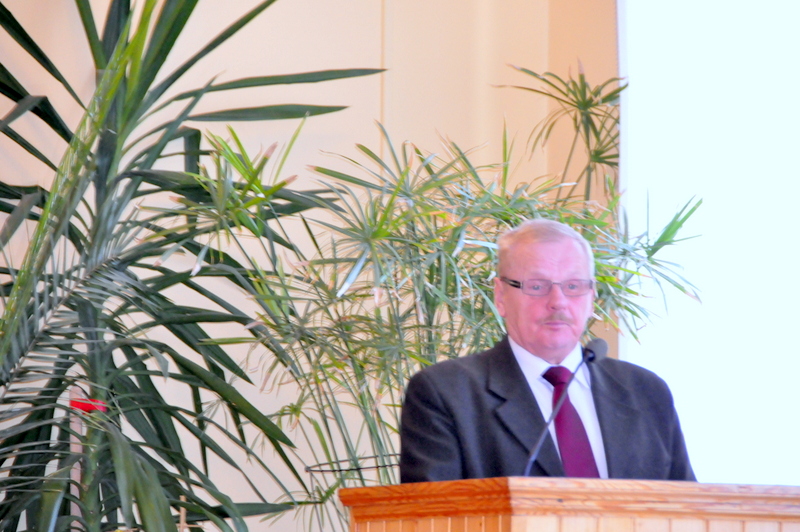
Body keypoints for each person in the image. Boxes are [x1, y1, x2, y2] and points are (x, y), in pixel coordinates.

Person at [399, 218, 695, 482]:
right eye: (537, 286)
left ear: (592, 297)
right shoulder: (447, 393)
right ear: (501, 296)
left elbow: (686, 509)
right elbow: (435, 515)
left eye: (573, 286)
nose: (558, 302)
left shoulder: (646, 392)